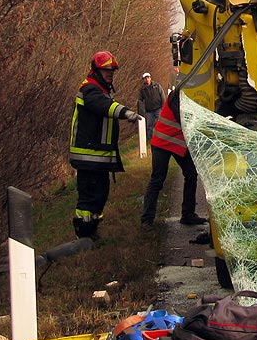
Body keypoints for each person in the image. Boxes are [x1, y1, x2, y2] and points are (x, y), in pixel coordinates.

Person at [68, 51, 141, 239]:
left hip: (96, 155)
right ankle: (83, 234)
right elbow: (103, 106)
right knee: (88, 197)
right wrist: (126, 113)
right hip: (87, 155)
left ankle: (92, 229)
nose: (110, 73)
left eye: (112, 71)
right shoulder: (90, 89)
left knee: (100, 193)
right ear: (96, 70)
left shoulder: (100, 89)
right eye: (106, 70)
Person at [140, 89, 207, 227]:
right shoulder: (177, 95)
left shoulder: (186, 93)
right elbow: (184, 119)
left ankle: (188, 214)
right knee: (158, 179)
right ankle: (147, 220)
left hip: (176, 143)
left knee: (191, 174)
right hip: (163, 142)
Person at [136, 72, 165, 143]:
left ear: (150, 78)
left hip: (158, 108)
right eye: (145, 78)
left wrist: (163, 107)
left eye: (148, 77)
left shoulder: (157, 86)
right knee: (149, 126)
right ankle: (150, 141)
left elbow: (162, 96)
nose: (147, 79)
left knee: (160, 124)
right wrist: (142, 111)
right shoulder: (142, 90)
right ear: (143, 80)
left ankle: (161, 138)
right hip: (149, 111)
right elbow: (140, 100)